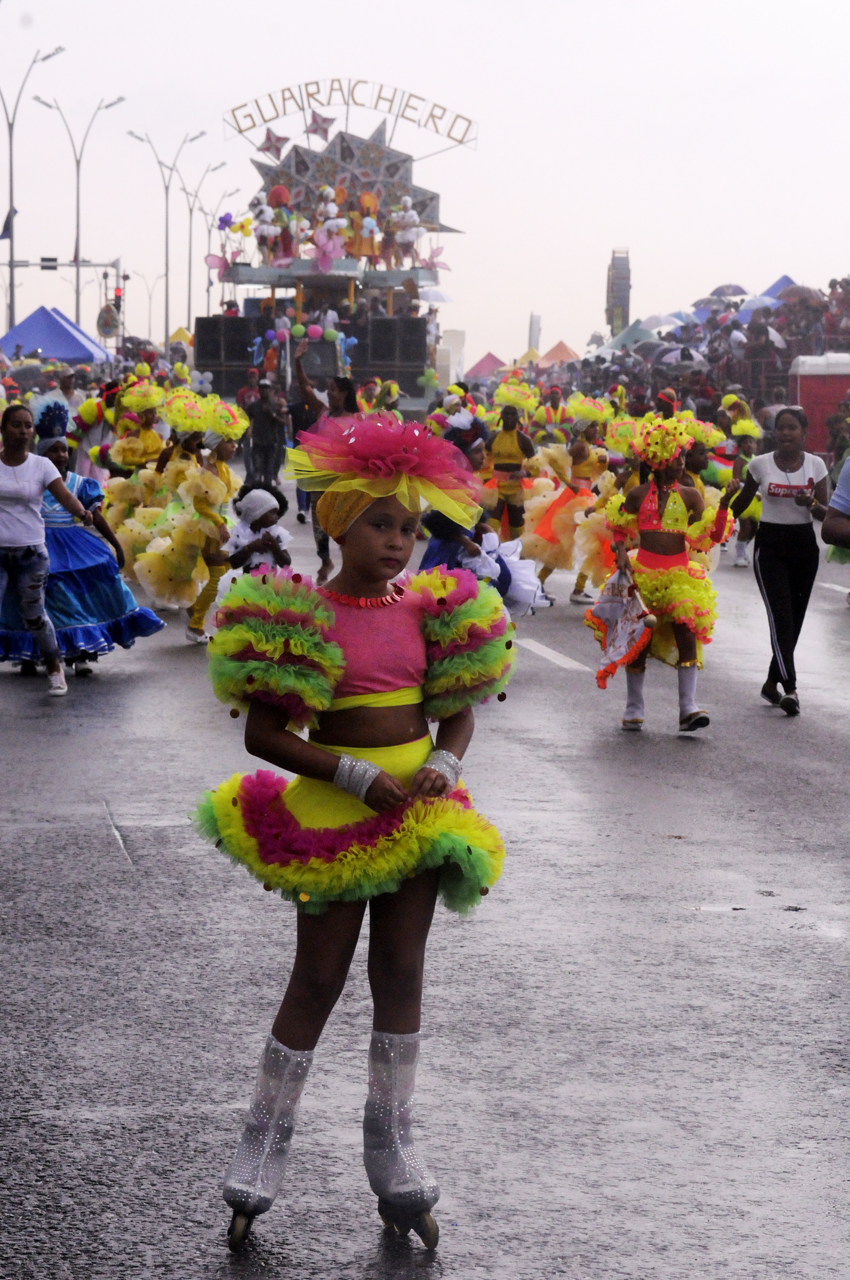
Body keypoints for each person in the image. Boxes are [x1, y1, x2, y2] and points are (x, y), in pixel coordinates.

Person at [197, 413, 515, 1253]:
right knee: (317, 978)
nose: (398, 542)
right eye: (380, 524)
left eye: (408, 527)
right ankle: (263, 1140)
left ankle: (394, 1143)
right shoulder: (298, 616)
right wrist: (352, 776)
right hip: (337, 818)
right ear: (337, 526)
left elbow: (457, 711)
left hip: (415, 815)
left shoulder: (435, 609)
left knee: (402, 974)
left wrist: (442, 763)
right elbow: (263, 735)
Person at [588, 415, 736, 732]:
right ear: (658, 460)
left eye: (683, 456)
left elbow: (711, 536)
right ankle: (634, 707)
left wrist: (724, 506)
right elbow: (617, 525)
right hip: (643, 573)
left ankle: (687, 708)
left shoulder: (691, 495)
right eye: (675, 457)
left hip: (680, 576)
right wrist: (620, 553)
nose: (681, 463)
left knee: (686, 634)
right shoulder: (637, 494)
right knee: (640, 641)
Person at [0, 436, 163, 675]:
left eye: (64, 450)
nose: (60, 455)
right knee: (32, 600)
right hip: (35, 542)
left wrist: (116, 545)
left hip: (72, 545)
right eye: (53, 450)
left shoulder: (79, 484)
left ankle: (81, 653)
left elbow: (96, 516)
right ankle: (32, 654)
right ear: (41, 456)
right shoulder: (29, 482)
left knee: (79, 594)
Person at [731, 406, 829, 715]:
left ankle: (771, 683)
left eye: (791, 428)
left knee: (794, 620)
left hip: (804, 547)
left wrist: (811, 503)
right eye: (780, 428)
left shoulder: (816, 465)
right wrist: (719, 510)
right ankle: (791, 689)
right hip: (770, 547)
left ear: (804, 433)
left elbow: (827, 514)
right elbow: (740, 504)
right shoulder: (759, 464)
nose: (785, 433)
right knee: (781, 618)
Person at [0, 402, 95, 696]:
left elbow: (64, 496)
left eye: (28, 426)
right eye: (16, 425)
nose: (23, 431)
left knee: (35, 615)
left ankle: (55, 669)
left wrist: (83, 512)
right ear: (3, 429)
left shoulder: (41, 466)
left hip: (31, 553)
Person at [293, 337, 359, 584]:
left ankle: (349, 566)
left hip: (345, 479)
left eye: (333, 389)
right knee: (318, 520)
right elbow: (305, 389)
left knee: (344, 523)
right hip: (321, 475)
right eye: (328, 389)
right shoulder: (323, 412)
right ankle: (325, 560)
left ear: (344, 393)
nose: (328, 392)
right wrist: (297, 362)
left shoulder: (358, 419)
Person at [486, 405, 535, 540]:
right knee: (492, 521)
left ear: (518, 418)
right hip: (496, 487)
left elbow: (536, 466)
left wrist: (524, 473)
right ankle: (490, 548)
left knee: (516, 523)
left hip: (516, 488)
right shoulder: (493, 437)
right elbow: (483, 460)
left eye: (512, 414)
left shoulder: (524, 440)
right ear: (501, 416)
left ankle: (516, 550)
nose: (509, 417)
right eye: (506, 413)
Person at [225, 485, 292, 572]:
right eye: (272, 513)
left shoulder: (276, 534)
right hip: (248, 580)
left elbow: (286, 564)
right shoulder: (241, 534)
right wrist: (250, 548)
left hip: (271, 580)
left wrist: (275, 546)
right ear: (257, 515)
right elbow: (234, 563)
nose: (276, 517)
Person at [246, 380, 288, 487]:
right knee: (257, 470)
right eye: (261, 388)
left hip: (271, 443)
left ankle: (267, 491)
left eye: (266, 388)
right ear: (259, 390)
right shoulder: (253, 406)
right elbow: (246, 422)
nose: (264, 390)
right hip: (257, 443)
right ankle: (257, 491)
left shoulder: (276, 405)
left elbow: (283, 422)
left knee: (268, 472)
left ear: (270, 390)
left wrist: (271, 414)